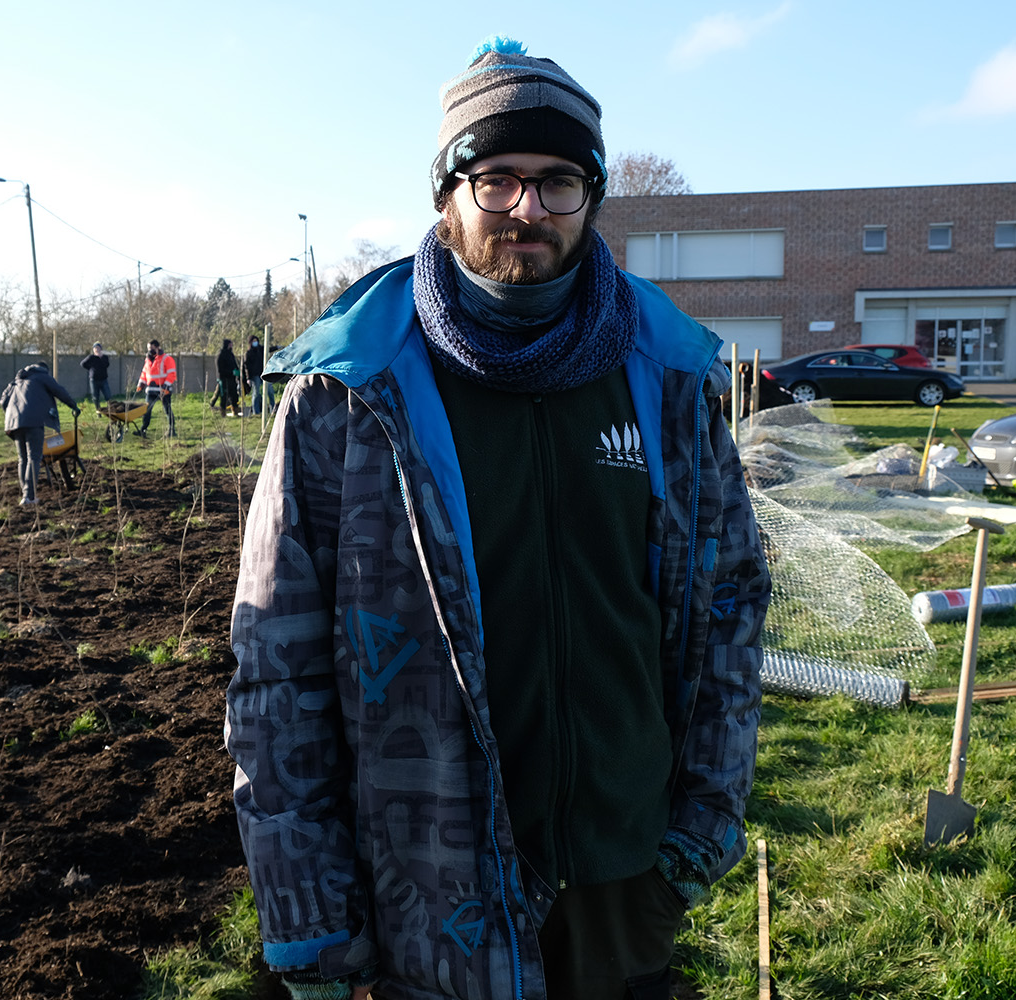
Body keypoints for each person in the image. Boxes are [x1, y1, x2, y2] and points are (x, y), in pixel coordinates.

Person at [225, 36, 770, 1000]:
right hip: (426, 891)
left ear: (591, 197)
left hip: (623, 873)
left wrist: (705, 819)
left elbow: (729, 607)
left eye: (559, 181)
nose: (528, 208)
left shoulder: (672, 379)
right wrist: (310, 920)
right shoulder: (347, 395)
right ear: (447, 194)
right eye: (497, 179)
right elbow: (277, 667)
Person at [0, 360, 79, 506]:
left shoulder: (16, 381)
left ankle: (25, 495)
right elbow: (59, 391)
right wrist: (73, 405)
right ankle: (28, 497)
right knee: (33, 458)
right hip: (33, 420)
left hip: (13, 422)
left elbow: (3, 401)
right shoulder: (42, 375)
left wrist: (12, 415)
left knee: (22, 459)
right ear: (44, 370)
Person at [135, 339, 177, 438]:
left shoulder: (167, 359)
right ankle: (143, 429)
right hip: (150, 390)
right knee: (147, 410)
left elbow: (172, 374)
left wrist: (166, 386)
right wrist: (141, 383)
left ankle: (172, 430)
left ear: (157, 347)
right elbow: (144, 373)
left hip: (163, 390)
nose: (149, 350)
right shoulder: (147, 360)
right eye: (148, 348)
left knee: (167, 409)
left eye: (151, 348)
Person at [81, 341, 112, 412]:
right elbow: (82, 364)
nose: (96, 349)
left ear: (100, 349)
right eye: (95, 348)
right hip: (94, 380)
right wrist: (90, 368)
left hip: (103, 380)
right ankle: (98, 411)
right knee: (95, 397)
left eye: (98, 348)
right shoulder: (91, 357)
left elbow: (107, 365)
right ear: (93, 350)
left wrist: (101, 358)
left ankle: (110, 410)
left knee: (108, 396)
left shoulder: (104, 357)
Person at [216, 338, 243, 416]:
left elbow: (234, 365)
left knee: (234, 395)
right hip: (224, 379)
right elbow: (220, 369)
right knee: (224, 396)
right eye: (230, 344)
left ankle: (235, 411)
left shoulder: (231, 354)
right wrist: (230, 372)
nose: (232, 346)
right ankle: (223, 412)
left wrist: (237, 372)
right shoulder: (221, 355)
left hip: (232, 379)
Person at [244, 333, 265, 414]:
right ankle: (255, 411)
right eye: (254, 341)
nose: (255, 342)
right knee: (256, 393)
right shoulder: (248, 353)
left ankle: (271, 408)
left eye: (256, 341)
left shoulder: (260, 349)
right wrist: (248, 378)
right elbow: (246, 366)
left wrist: (277, 347)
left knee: (269, 391)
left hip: (262, 373)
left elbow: (268, 348)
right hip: (254, 375)